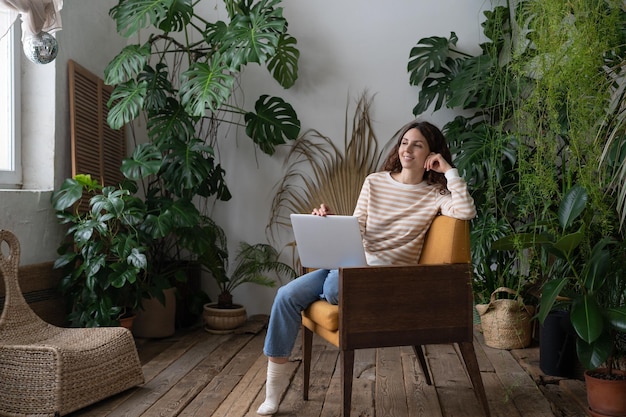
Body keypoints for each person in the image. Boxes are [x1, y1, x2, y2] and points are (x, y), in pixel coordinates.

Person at [256, 120, 476, 415]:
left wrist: (449, 172)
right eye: (404, 142)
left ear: (432, 155)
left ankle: (331, 281)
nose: (407, 149)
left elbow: (465, 211)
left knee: (334, 289)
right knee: (285, 296)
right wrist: (329, 221)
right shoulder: (375, 181)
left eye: (417, 144)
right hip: (351, 263)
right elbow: (357, 228)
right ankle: (272, 395)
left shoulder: (435, 196)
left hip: (383, 278)